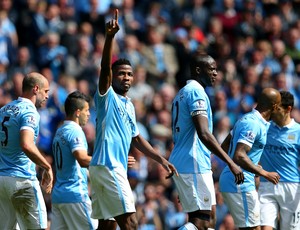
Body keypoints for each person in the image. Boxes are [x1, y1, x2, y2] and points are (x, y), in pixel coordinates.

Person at [89, 9, 178, 230]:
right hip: (109, 167)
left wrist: (161, 160)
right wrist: (110, 37)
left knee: (106, 225)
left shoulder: (129, 105)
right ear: (113, 76)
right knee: (130, 222)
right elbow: (104, 70)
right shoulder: (106, 96)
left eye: (129, 74)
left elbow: (136, 139)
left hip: (105, 167)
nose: (126, 77)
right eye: (121, 74)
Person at [169, 53, 244, 230]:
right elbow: (203, 133)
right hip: (192, 162)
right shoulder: (196, 92)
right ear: (197, 70)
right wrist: (230, 162)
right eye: (211, 68)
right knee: (201, 221)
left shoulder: (181, 94)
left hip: (186, 161)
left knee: (208, 217)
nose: (216, 73)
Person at [219, 88, 282, 230]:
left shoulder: (247, 120)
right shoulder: (252, 124)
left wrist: (253, 166)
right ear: (274, 107)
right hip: (240, 182)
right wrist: (264, 173)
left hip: (237, 181)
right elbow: (239, 155)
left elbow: (225, 145)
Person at [0, 72, 53, 229]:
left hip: (2, 179)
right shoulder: (30, 111)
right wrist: (47, 166)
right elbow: (27, 144)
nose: (47, 96)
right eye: (46, 91)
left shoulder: (4, 110)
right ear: (36, 89)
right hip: (21, 180)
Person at [50, 91, 98, 230]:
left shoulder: (60, 131)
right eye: (87, 110)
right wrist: (108, 161)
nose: (89, 114)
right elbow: (82, 159)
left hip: (59, 196)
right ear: (78, 112)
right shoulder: (75, 131)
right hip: (75, 194)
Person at [258, 91, 300, 230]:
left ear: (288, 109)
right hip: (267, 184)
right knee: (265, 227)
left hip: (292, 187)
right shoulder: (265, 127)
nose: (273, 112)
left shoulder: (298, 132)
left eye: (278, 109)